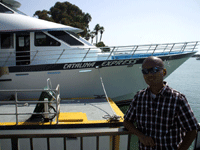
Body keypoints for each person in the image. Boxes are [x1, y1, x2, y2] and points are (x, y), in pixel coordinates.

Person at [123, 56, 198, 150]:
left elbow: (192, 130)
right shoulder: (139, 98)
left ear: (164, 72)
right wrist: (141, 136)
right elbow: (127, 122)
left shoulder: (177, 99)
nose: (149, 74)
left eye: (154, 70)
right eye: (145, 71)